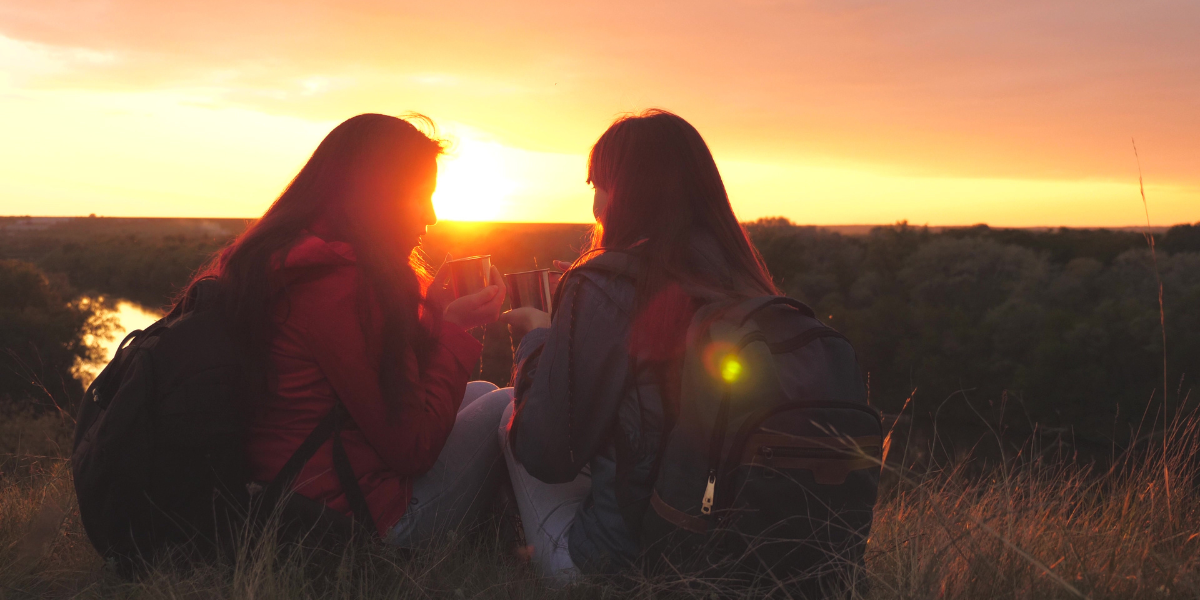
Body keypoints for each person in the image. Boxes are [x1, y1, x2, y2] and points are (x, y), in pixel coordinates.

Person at [176, 113, 511, 545]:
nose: (430, 215)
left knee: (480, 391)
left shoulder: (286, 260)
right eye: (420, 196)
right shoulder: (340, 290)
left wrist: (435, 313)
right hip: (351, 523)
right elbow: (413, 449)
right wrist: (454, 330)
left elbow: (378, 388)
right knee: (506, 403)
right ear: (379, 196)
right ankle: (510, 539)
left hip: (287, 491)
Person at [487, 109, 780, 584]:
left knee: (503, 411)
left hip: (620, 565)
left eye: (599, 186)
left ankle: (487, 545)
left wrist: (542, 337)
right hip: (736, 555)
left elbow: (546, 454)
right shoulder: (744, 282)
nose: (597, 205)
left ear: (627, 194)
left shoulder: (605, 286)